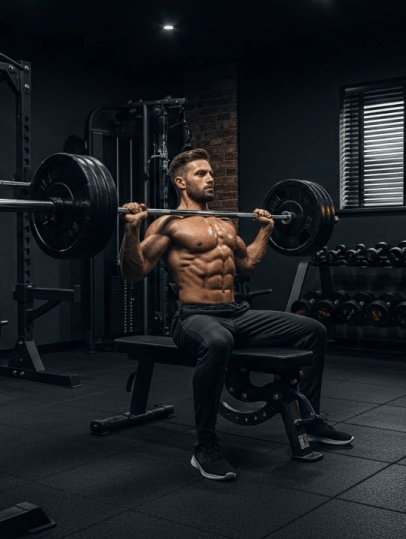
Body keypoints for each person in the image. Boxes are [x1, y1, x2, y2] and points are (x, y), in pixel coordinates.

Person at [119, 148, 353, 482]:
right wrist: (130, 231)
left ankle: (310, 418)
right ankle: (205, 444)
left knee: (313, 330)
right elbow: (134, 272)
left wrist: (266, 231)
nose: (210, 177)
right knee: (217, 340)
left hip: (236, 313)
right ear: (181, 182)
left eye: (211, 172)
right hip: (193, 317)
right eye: (201, 173)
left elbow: (246, 267)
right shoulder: (167, 223)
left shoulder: (225, 224)